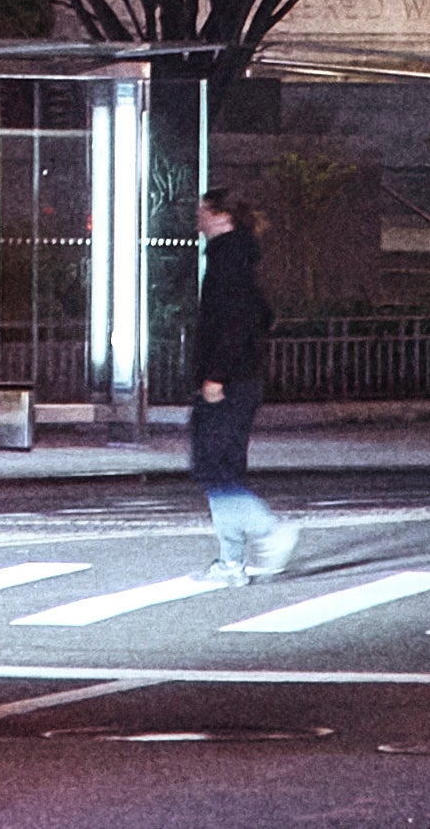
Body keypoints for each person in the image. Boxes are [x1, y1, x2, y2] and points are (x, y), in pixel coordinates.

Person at [189, 189, 294, 581]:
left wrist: (215, 374)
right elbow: (262, 315)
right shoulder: (237, 257)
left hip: (227, 381)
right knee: (222, 470)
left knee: (214, 468)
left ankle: (270, 532)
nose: (196, 219)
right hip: (239, 378)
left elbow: (233, 323)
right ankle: (231, 562)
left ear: (219, 215)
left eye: (202, 211)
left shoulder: (226, 261)